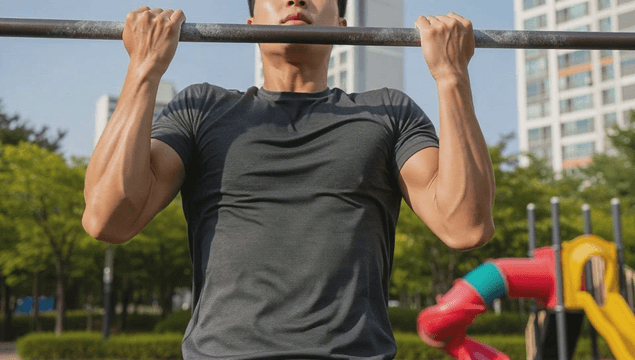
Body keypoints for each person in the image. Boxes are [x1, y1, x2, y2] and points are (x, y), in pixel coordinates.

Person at [82, 0, 495, 358]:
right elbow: (108, 218)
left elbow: (466, 225)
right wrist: (144, 69)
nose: (296, 0)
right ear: (249, 28)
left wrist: (451, 77)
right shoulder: (201, 108)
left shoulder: (390, 113)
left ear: (343, 27)